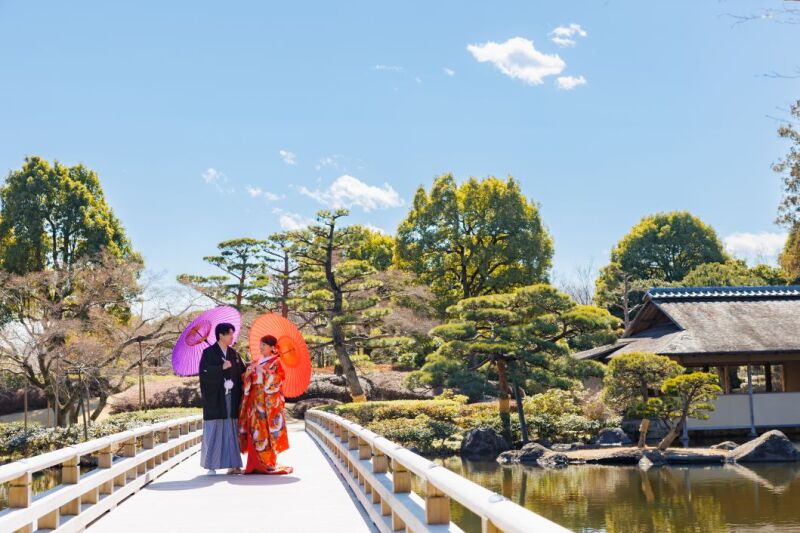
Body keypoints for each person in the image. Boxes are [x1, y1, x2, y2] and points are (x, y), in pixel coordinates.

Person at [239, 334, 293, 475]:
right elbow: (246, 380)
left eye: (264, 345)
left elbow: (279, 379)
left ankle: (268, 462)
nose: (261, 347)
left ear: (272, 348)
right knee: (254, 428)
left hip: (268, 402)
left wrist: (264, 371)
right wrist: (248, 374)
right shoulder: (256, 361)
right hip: (254, 399)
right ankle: (254, 462)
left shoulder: (276, 362)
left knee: (267, 430)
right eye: (260, 344)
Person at [199, 322, 245, 475]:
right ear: (221, 335)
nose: (233, 337)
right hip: (216, 399)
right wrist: (220, 369)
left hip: (231, 398)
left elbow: (243, 372)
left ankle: (233, 464)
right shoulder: (208, 353)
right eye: (230, 334)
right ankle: (211, 465)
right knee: (215, 428)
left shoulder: (234, 354)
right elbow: (204, 373)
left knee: (231, 429)